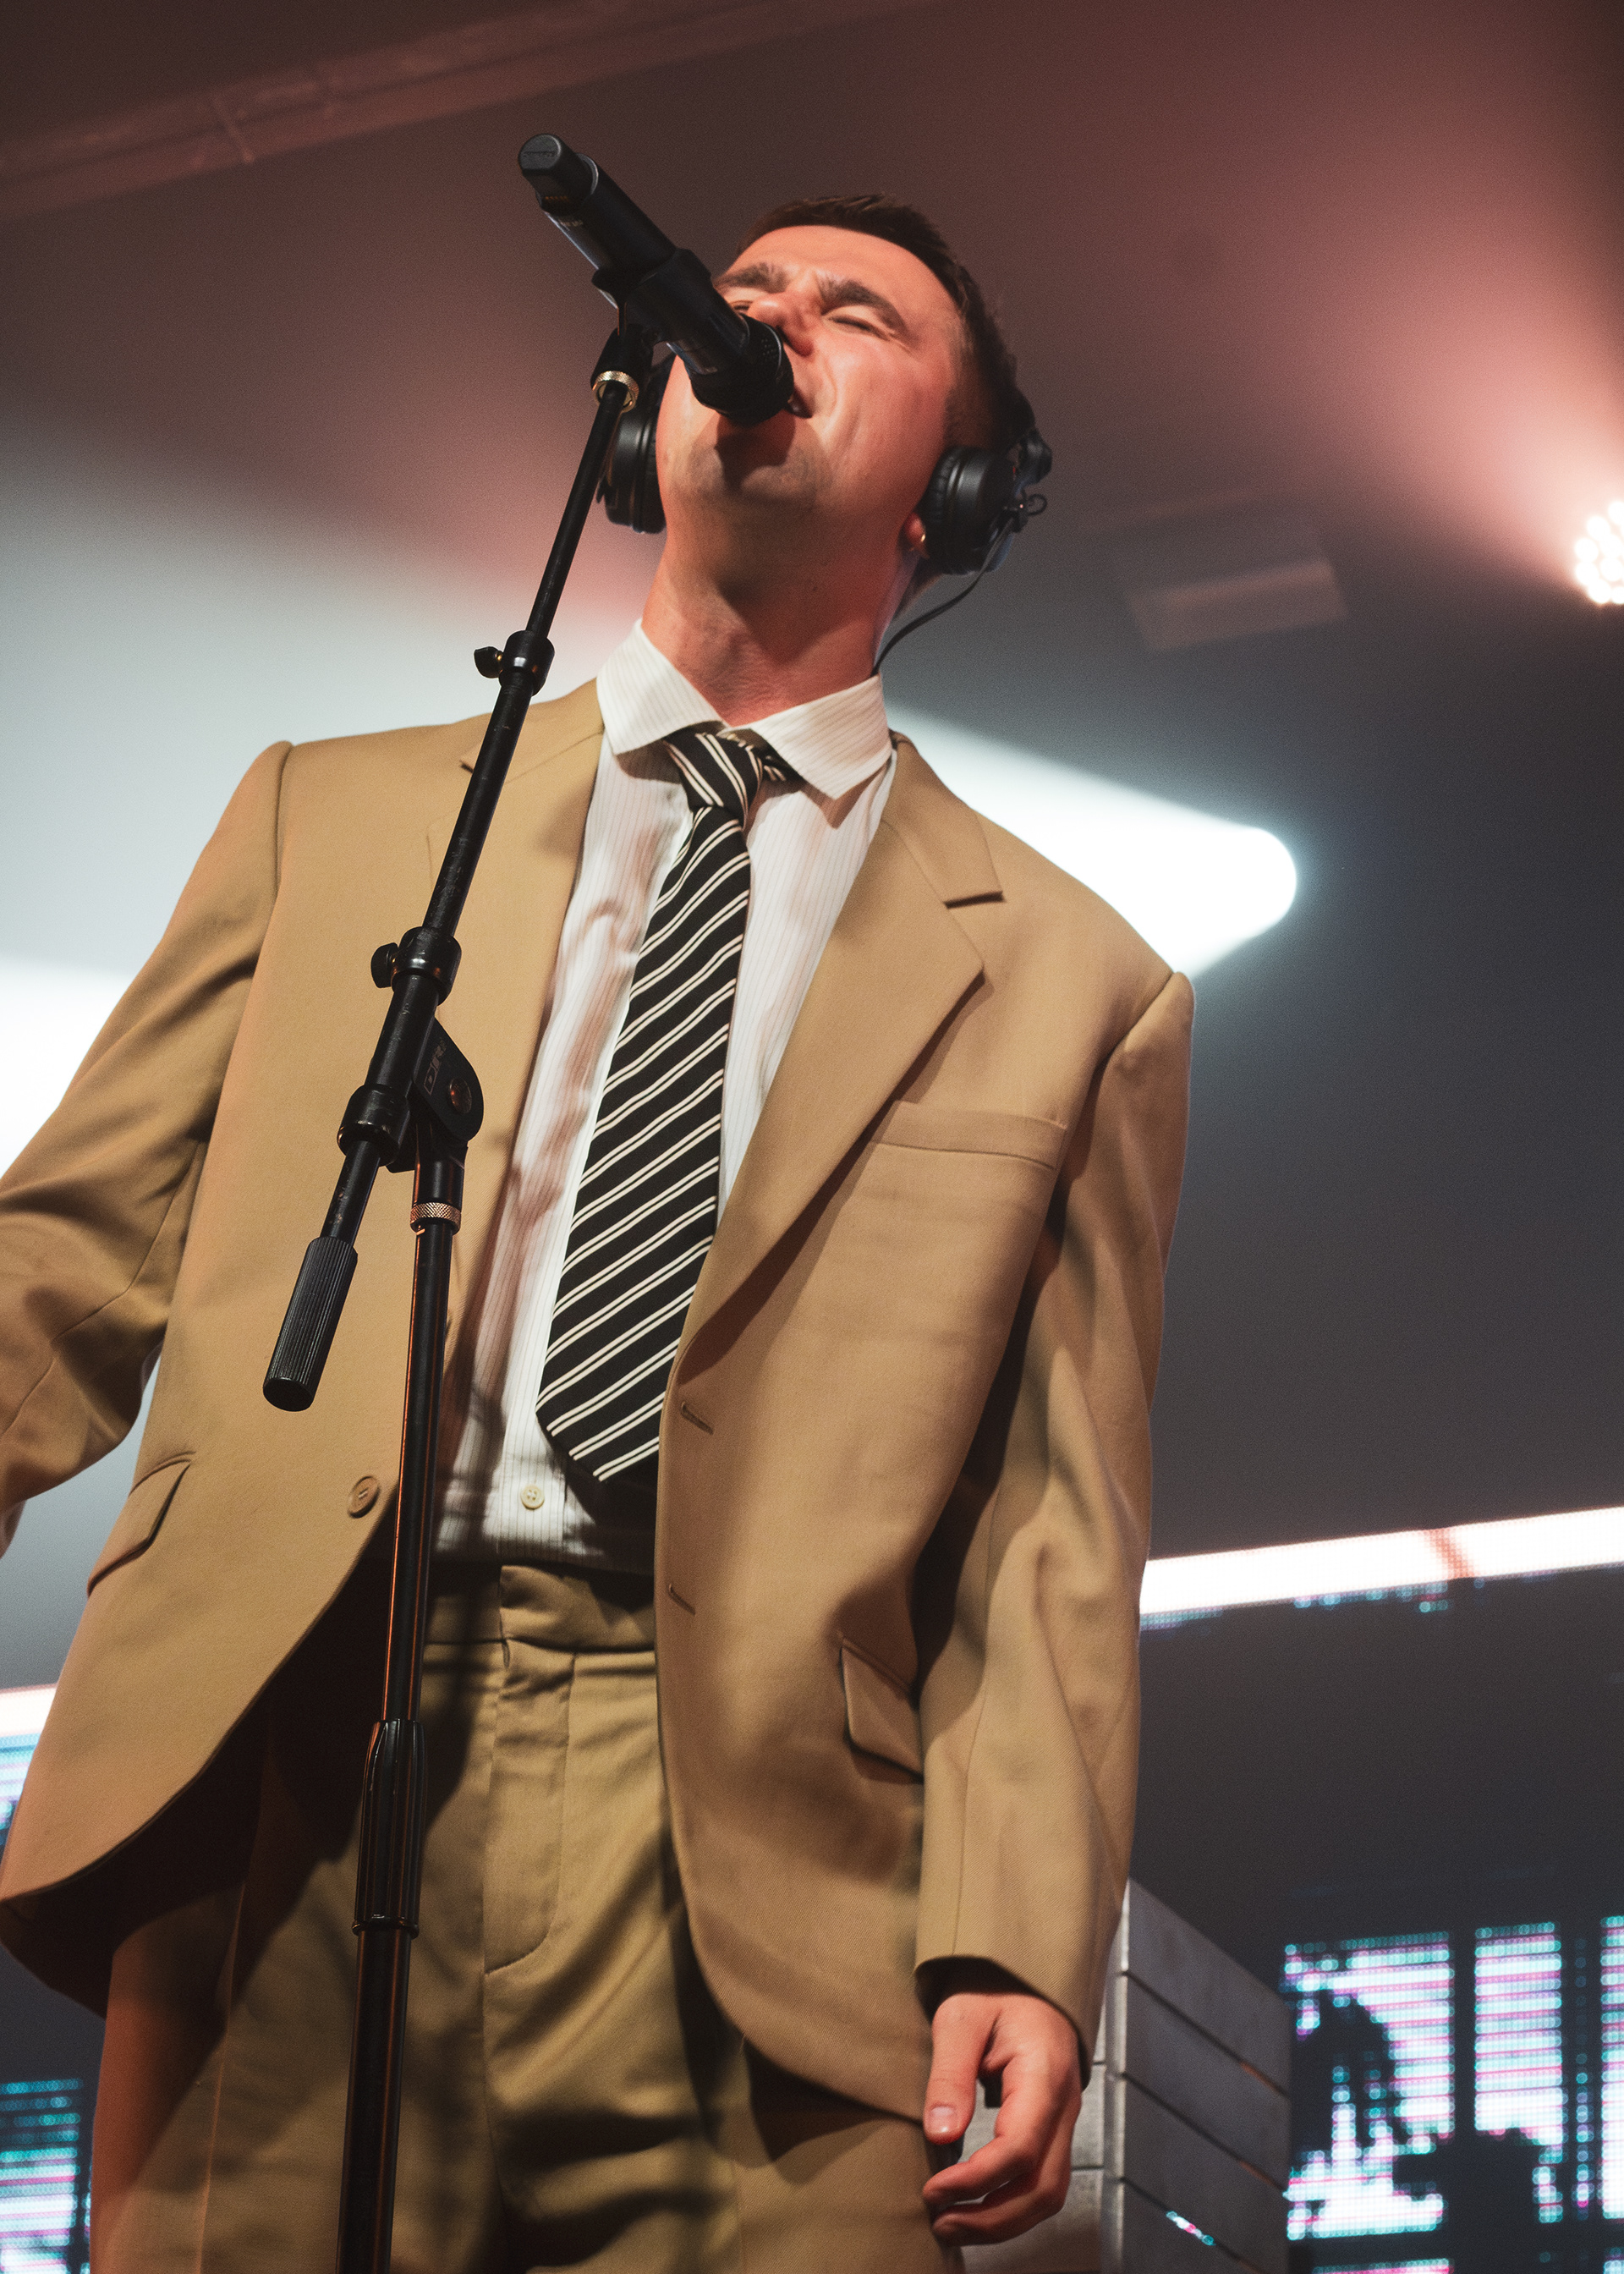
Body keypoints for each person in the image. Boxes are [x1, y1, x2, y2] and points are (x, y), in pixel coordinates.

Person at [0, 192, 1193, 2272]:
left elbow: (1048, 1523)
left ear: (958, 492)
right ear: (643, 414)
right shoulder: (330, 818)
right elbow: (62, 1265)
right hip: (297, 1751)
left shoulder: (1077, 980)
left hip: (765, 1858)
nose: (773, 326)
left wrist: (1019, 1933)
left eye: (856, 316)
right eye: (742, 300)